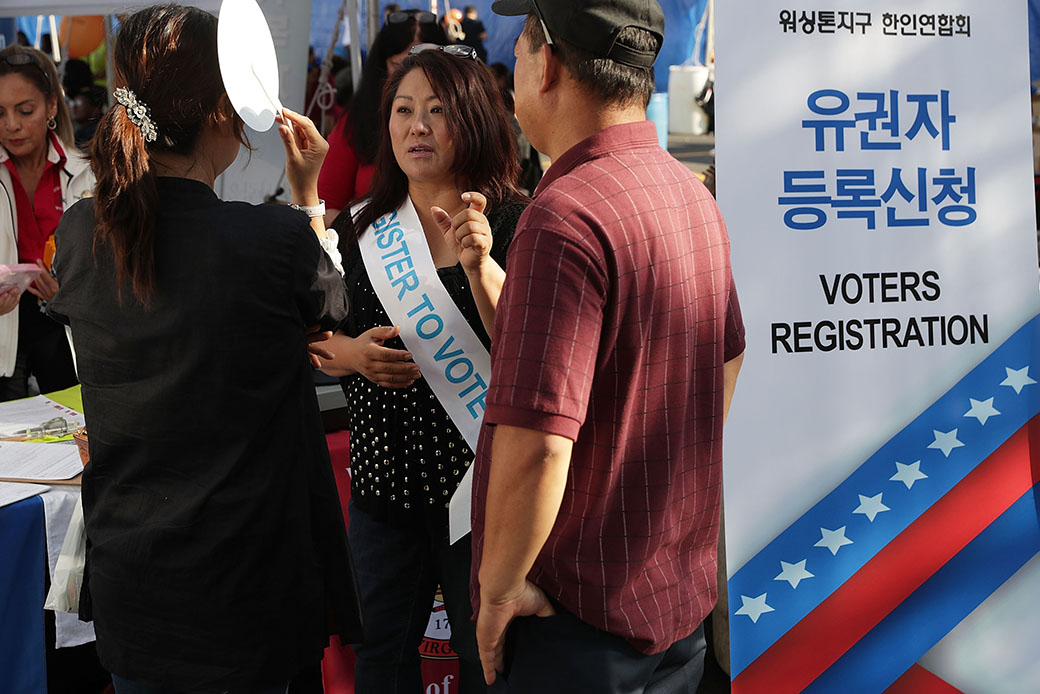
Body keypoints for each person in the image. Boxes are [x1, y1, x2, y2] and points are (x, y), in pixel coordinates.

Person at [46, 5, 361, 693]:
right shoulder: (269, 243)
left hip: (135, 586)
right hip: (247, 592)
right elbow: (331, 306)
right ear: (224, 114)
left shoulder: (78, 234)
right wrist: (309, 198)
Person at [470, 1, 746, 692]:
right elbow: (728, 358)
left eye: (520, 46)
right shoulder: (691, 192)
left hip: (577, 624)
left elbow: (538, 443)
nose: (512, 67)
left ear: (549, 63)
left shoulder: (564, 216)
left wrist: (498, 589)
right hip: (671, 603)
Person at [316, 45, 527, 693]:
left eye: (438, 111)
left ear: (473, 120)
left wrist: (480, 270)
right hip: (384, 492)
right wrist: (350, 355)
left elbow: (531, 355)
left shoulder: (519, 220)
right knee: (382, 655)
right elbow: (313, 337)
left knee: (485, 660)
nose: (417, 127)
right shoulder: (358, 229)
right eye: (404, 111)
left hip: (486, 497)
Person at [0, 44, 89, 401]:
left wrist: (71, 296)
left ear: (52, 105)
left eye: (25, 110)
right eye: (0, 112)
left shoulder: (87, 173)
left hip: (68, 326)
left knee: (73, 438)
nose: (11, 125)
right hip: (6, 324)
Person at [318, 10, 446, 226]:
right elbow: (325, 204)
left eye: (436, 110)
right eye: (400, 66)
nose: (418, 127)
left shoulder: (465, 121)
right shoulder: (360, 118)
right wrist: (369, 247)